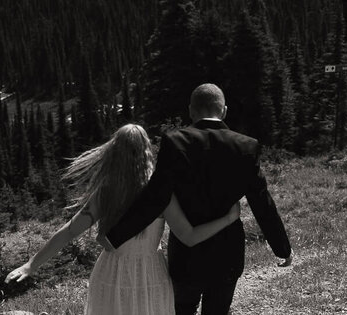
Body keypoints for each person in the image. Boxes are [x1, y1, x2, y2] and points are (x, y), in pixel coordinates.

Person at [6, 124, 241, 315]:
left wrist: (31, 265)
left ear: (114, 152)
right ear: (147, 150)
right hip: (151, 274)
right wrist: (228, 218)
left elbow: (69, 231)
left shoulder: (106, 191)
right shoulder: (161, 192)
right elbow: (189, 236)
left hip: (112, 272)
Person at [103, 84, 292, 315]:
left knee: (183, 310)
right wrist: (282, 248)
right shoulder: (246, 146)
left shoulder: (175, 142)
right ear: (223, 111)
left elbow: (155, 197)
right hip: (227, 253)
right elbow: (262, 202)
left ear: (191, 111)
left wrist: (116, 237)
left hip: (186, 256)